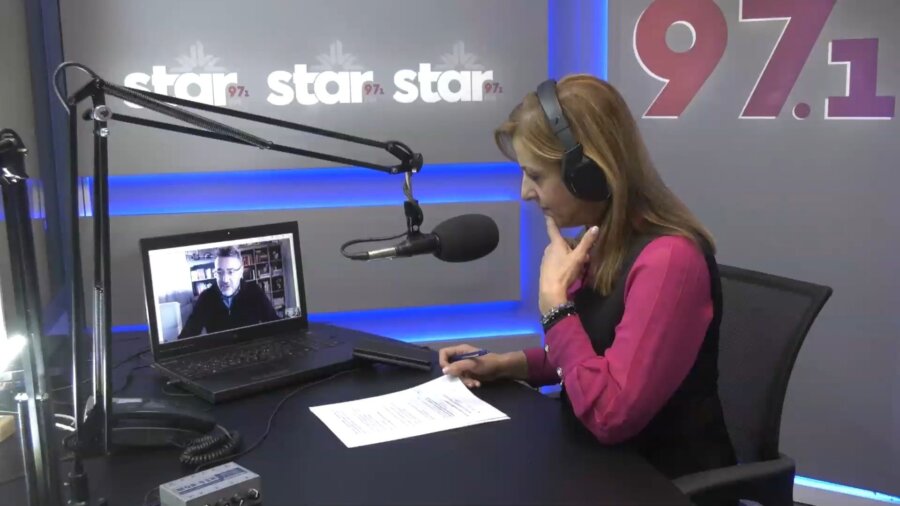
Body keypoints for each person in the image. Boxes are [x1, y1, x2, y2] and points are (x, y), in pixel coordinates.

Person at [439, 74, 737, 479]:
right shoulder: (600, 243)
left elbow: (610, 415)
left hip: (656, 482)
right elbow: (593, 357)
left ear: (589, 173)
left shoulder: (669, 262)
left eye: (536, 176)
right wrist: (507, 365)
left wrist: (556, 307)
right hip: (598, 466)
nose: (525, 192)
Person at [178, 246, 278, 339]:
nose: (225, 279)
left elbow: (274, 324)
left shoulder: (254, 292)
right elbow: (187, 336)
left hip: (250, 347)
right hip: (220, 349)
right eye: (219, 272)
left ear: (241, 271)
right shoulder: (206, 297)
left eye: (231, 272)